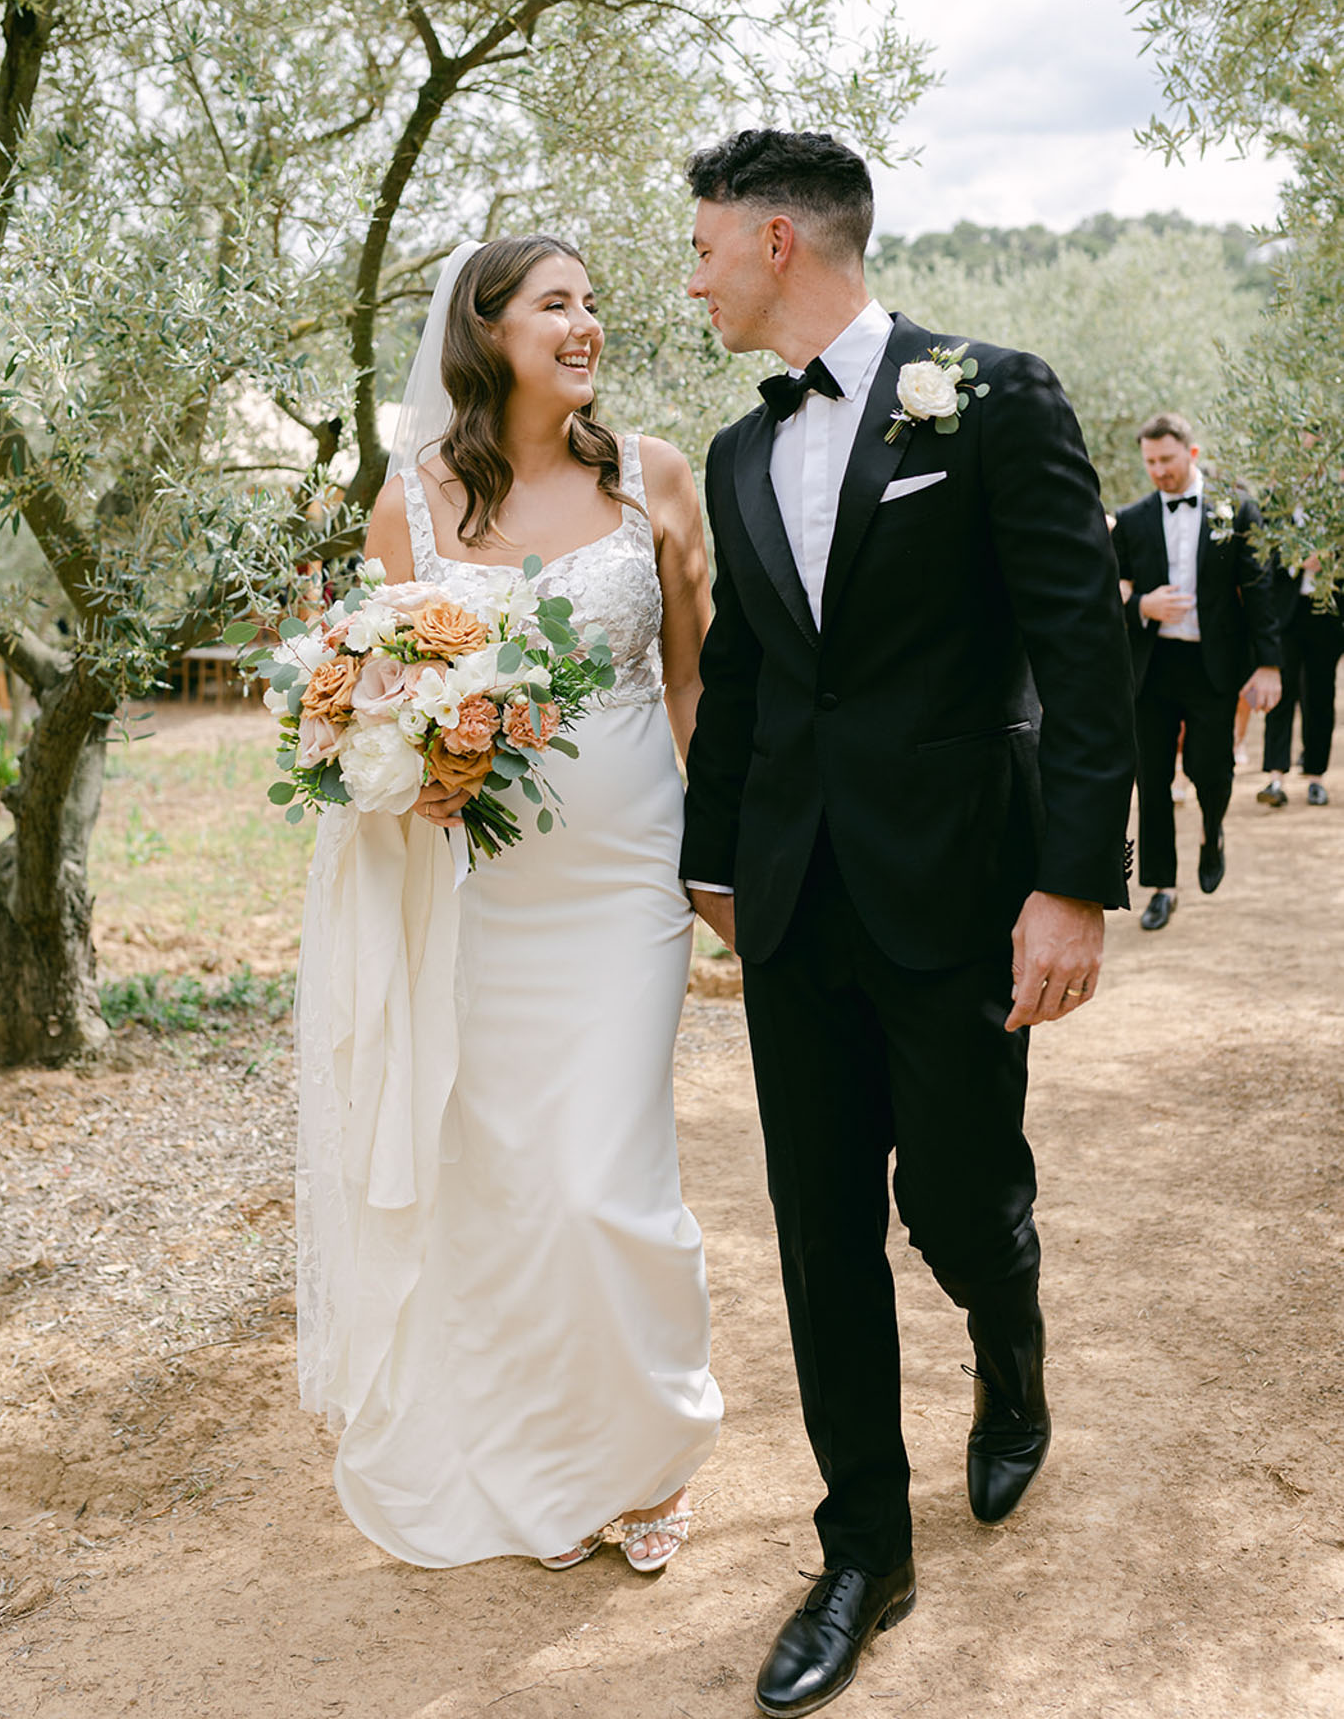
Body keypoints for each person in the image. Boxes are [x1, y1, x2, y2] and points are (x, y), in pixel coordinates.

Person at [678, 129, 1135, 1717]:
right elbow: (744, 675)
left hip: (953, 886)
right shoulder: (738, 456)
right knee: (819, 1234)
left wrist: (1070, 882)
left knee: (950, 1200)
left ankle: (1010, 1363)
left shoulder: (991, 396)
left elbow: (1082, 651)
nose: (693, 277)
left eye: (706, 248)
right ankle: (863, 1546)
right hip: (793, 905)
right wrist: (709, 868)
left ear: (783, 243)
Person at [293, 234, 723, 1574]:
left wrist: (714, 857)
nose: (585, 324)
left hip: (625, 881)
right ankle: (538, 1442)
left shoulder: (652, 474)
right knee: (504, 1180)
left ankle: (647, 1458)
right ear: (483, 332)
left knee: (605, 1182)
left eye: (592, 302)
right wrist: (399, 766)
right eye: (555, 304)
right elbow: (359, 699)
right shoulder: (408, 509)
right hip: (477, 897)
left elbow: (695, 682)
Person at [1110, 414, 1282, 932]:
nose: (1158, 471)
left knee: (1212, 771)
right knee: (1154, 778)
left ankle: (1213, 830)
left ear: (1193, 454)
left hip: (1214, 667)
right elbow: (1110, 590)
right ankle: (1161, 886)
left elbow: (1259, 590)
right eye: (1150, 462)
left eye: (1167, 459)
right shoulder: (1133, 518)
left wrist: (1269, 663)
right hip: (1154, 668)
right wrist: (1144, 602)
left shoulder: (1237, 511)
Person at [1258, 539, 1343, 808]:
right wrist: (1297, 562)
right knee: (1280, 693)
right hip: (1286, 616)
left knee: (1319, 697)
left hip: (1327, 617)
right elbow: (1262, 559)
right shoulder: (1279, 505)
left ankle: (1316, 779)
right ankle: (1275, 778)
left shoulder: (1336, 507)